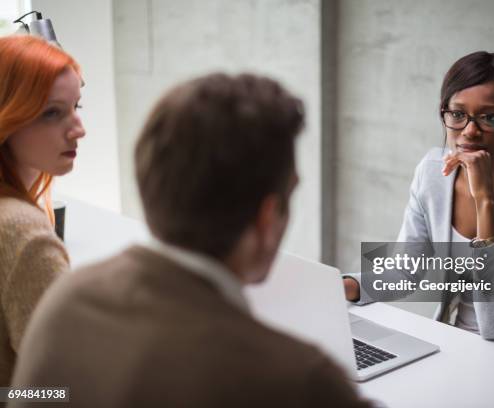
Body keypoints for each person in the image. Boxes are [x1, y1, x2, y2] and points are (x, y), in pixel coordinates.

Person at [10, 74, 372, 407]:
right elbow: (420, 260)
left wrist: (361, 283)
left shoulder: (65, 300)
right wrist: (360, 283)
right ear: (266, 217)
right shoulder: (300, 382)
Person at [344, 51, 494, 364]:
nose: (470, 131)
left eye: (490, 117)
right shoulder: (432, 170)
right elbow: (405, 270)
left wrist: (484, 199)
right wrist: (346, 287)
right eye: (458, 114)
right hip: (457, 343)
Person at [0, 35, 85, 385]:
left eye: (76, 107)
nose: (79, 129)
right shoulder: (23, 234)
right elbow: (61, 393)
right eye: (52, 113)